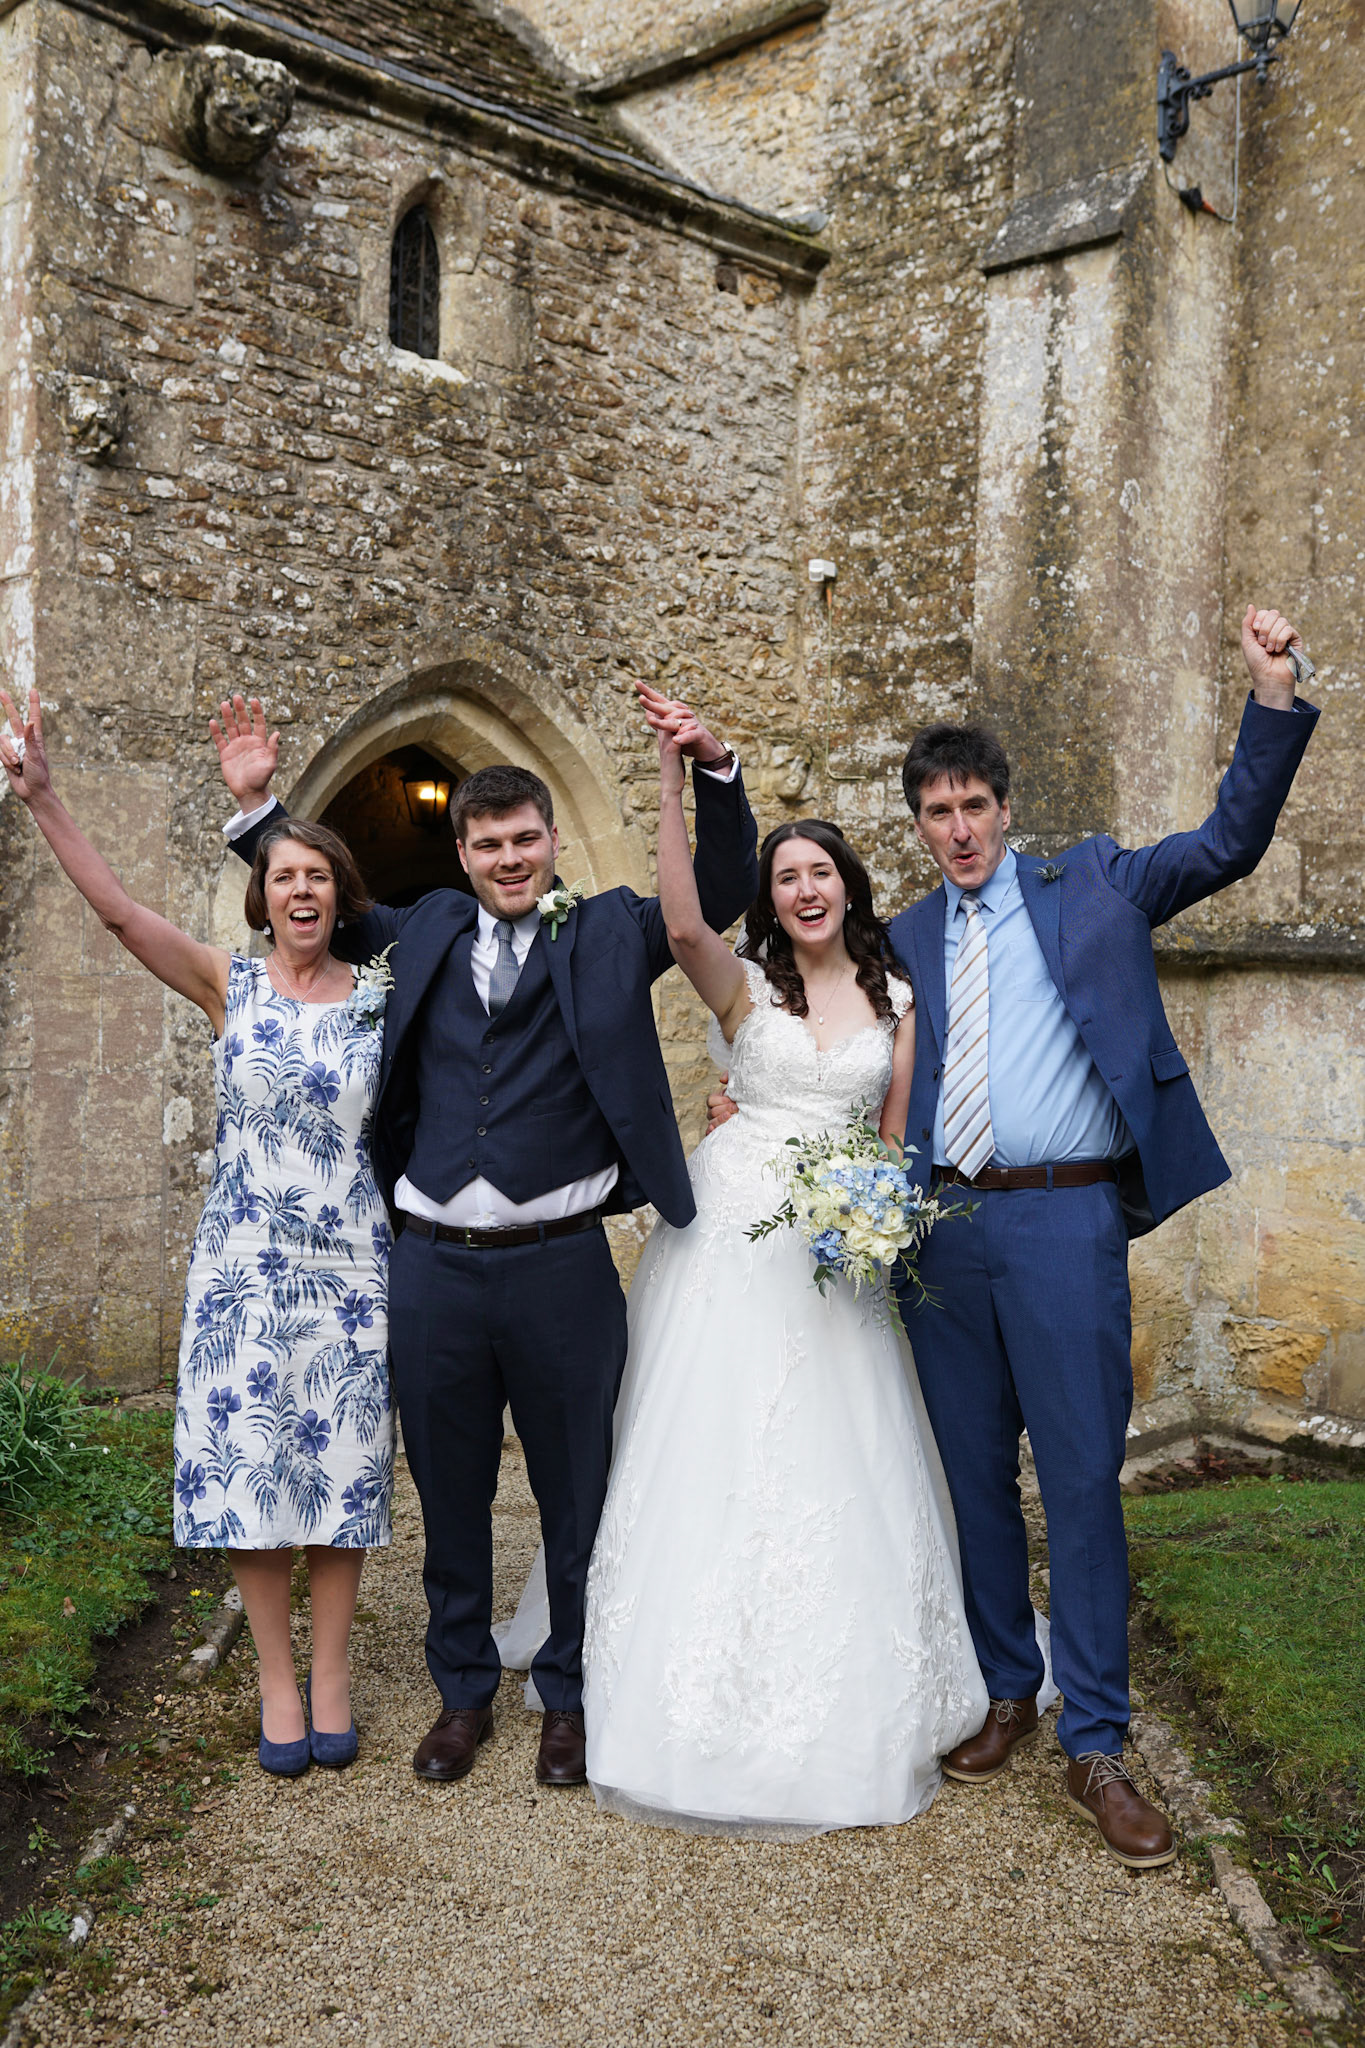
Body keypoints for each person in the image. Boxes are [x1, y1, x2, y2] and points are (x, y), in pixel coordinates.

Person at [709, 601, 1314, 1868]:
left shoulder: (1094, 882)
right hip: (941, 1229)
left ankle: (1098, 1740)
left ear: (1002, 806)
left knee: (1082, 1479)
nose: (960, 827)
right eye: (938, 812)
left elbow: (1228, 841)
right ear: (918, 827)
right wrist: (747, 1104)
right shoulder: (901, 939)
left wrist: (1271, 696)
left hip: (1065, 1218)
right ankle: (1005, 1687)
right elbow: (827, 1033)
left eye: (975, 804)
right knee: (971, 1473)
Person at [211, 687, 758, 1789]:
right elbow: (315, 898)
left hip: (562, 1266)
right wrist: (259, 808)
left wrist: (716, 769)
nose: (509, 860)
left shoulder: (610, 929)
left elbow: (720, 894)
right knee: (449, 1493)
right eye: (488, 844)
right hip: (433, 1269)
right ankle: (461, 1692)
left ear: (551, 842)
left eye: (524, 841)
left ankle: (570, 1693)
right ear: (460, 854)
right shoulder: (420, 931)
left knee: (577, 1488)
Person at [567, 713, 991, 1834]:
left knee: (836, 1449)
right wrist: (673, 783)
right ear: (771, 898)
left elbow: (894, 1140)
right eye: (786, 876)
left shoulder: (897, 1002)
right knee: (709, 1440)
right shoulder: (745, 987)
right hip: (728, 1241)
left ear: (848, 888)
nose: (804, 889)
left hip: (833, 1254)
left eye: (819, 872)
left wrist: (876, 1220)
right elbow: (678, 918)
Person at [1, 686, 394, 1780]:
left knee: (343, 1469)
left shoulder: (380, 996)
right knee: (252, 1465)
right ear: (263, 898)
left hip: (349, 1268)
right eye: (285, 876)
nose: (302, 890)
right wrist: (44, 800)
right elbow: (120, 914)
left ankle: (330, 1675)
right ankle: (276, 1680)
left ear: (341, 897)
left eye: (319, 876)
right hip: (243, 1269)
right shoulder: (232, 985)